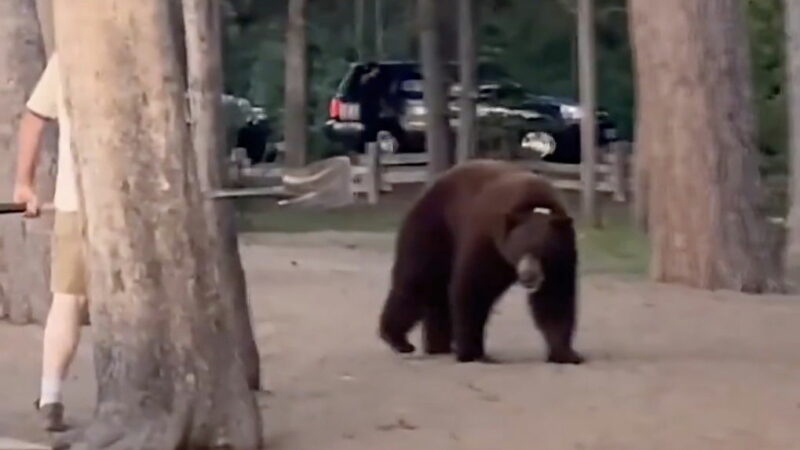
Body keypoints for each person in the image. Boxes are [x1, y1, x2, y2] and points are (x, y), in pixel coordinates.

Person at [13, 53, 86, 432]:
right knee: (69, 299)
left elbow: (34, 118)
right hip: (79, 203)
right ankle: (51, 397)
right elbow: (35, 116)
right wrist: (24, 185)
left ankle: (51, 396)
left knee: (69, 300)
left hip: (136, 206)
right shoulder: (72, 53)